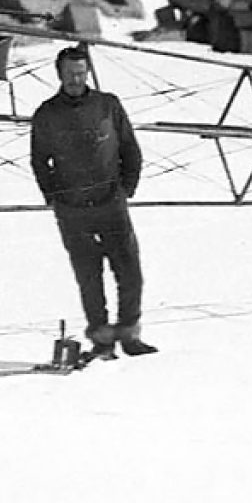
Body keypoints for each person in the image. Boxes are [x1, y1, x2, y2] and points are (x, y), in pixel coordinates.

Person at [29, 43, 154, 360]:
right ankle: (101, 340)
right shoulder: (46, 114)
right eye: (70, 74)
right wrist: (55, 198)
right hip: (72, 210)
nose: (76, 79)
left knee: (129, 272)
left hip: (110, 204)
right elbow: (39, 161)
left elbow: (130, 149)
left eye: (81, 73)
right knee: (89, 276)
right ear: (59, 74)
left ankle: (129, 335)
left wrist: (125, 190)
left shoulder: (108, 105)